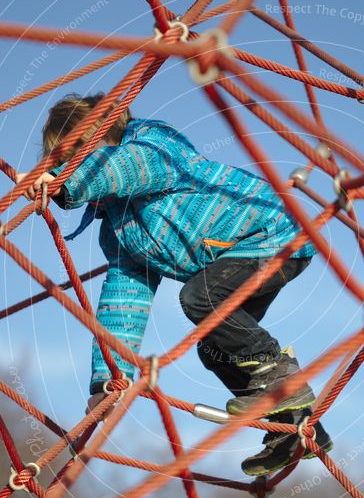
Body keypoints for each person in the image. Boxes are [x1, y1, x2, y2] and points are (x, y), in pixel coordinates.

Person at [17, 93, 333, 475]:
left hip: (272, 236)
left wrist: (66, 186)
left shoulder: (155, 145)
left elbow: (127, 166)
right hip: (233, 263)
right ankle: (296, 428)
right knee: (213, 348)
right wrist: (108, 379)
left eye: (81, 156)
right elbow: (123, 304)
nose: (75, 167)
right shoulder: (119, 230)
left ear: (109, 135)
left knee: (199, 297)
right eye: (67, 162)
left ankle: (282, 377)